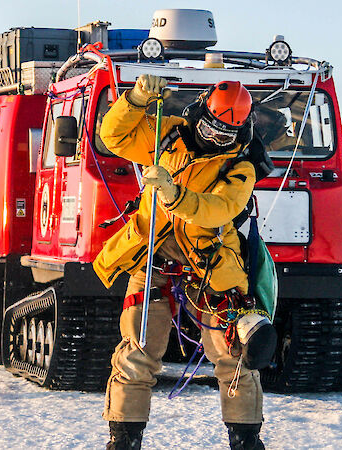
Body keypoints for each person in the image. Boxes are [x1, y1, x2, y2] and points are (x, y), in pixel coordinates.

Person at [93, 74, 266, 450]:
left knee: (233, 355)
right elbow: (115, 137)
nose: (213, 138)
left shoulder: (241, 167)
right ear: (200, 110)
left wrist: (175, 195)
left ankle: (246, 440)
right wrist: (136, 100)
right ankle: (123, 440)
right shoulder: (167, 135)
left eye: (224, 136)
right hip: (152, 257)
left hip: (211, 265)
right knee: (138, 352)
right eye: (209, 128)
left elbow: (219, 208)